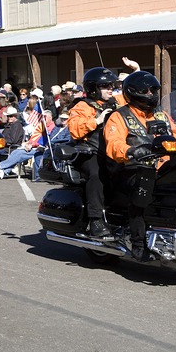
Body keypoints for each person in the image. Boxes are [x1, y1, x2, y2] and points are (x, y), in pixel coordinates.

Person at [103, 70, 176, 261]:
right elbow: (113, 143)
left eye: (154, 90)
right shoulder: (119, 116)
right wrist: (131, 151)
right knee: (144, 184)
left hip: (163, 167)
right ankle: (138, 242)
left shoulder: (161, 115)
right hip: (130, 168)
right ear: (133, 92)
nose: (151, 95)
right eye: (146, 91)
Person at [68, 67, 120, 239]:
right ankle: (96, 219)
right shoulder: (82, 106)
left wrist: (137, 71)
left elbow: (134, 96)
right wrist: (96, 120)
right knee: (98, 173)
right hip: (89, 152)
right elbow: (74, 129)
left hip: (113, 151)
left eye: (111, 85)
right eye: (105, 86)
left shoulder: (115, 102)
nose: (110, 89)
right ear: (93, 88)